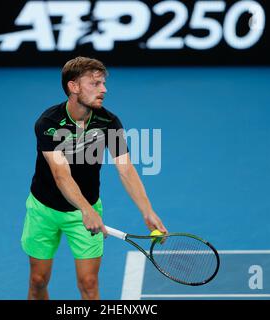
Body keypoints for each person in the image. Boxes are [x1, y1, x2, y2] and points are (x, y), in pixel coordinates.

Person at [21, 56, 167, 300]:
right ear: (73, 86)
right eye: (95, 84)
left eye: (103, 84)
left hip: (86, 211)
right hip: (43, 210)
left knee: (89, 285)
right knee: (37, 281)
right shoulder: (49, 123)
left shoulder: (108, 122)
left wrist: (147, 211)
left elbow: (126, 169)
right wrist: (86, 210)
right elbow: (61, 174)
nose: (104, 90)